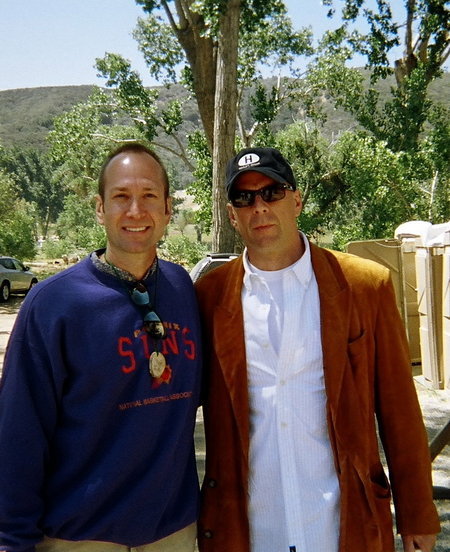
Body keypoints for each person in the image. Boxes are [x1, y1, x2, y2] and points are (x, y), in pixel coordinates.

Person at [195, 146, 440, 552]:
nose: (259, 206)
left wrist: (417, 514)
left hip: (342, 525)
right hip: (249, 528)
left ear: (297, 200)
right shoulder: (208, 297)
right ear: (231, 213)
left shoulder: (364, 286)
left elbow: (400, 412)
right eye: (245, 197)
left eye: (272, 192)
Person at [0, 143, 202, 552]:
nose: (135, 211)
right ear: (99, 207)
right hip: (80, 537)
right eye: (121, 197)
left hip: (173, 534)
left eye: (148, 196)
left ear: (167, 209)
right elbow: (19, 433)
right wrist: (11, 541)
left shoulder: (184, 289)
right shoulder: (55, 304)